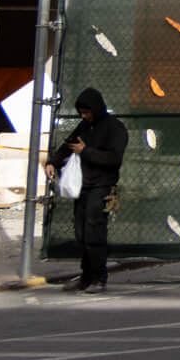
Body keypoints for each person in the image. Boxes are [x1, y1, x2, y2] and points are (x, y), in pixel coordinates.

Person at [49, 87, 127, 293]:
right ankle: (86, 276)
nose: (84, 116)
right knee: (81, 233)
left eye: (87, 112)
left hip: (101, 186)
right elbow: (68, 146)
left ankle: (99, 278)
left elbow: (113, 159)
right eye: (82, 113)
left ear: (97, 108)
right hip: (83, 186)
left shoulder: (115, 128)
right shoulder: (85, 126)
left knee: (95, 232)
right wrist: (53, 162)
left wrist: (87, 151)